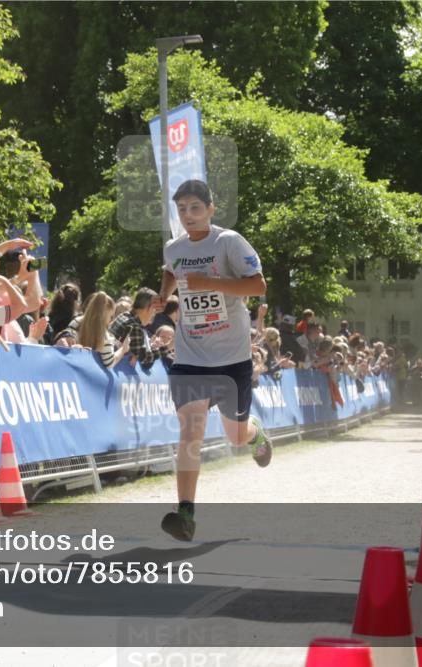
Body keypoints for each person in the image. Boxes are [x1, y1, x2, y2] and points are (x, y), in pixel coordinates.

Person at [155, 179, 272, 542]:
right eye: (182, 209)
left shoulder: (228, 242)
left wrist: (212, 283)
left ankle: (254, 434)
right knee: (191, 431)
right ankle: (185, 512)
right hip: (190, 356)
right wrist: (163, 296)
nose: (188, 215)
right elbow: (171, 269)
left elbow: (258, 286)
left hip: (232, 357)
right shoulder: (173, 247)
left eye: (194, 208)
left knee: (235, 437)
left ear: (210, 208)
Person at [108, 287, 172, 369]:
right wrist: (167, 347)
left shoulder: (123, 315)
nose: (154, 315)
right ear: (150, 307)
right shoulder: (135, 326)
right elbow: (145, 359)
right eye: (155, 310)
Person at [74, 292, 129, 368]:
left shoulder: (76, 321)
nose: (111, 320)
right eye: (111, 316)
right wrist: (123, 349)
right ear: (105, 315)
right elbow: (109, 362)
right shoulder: (104, 335)